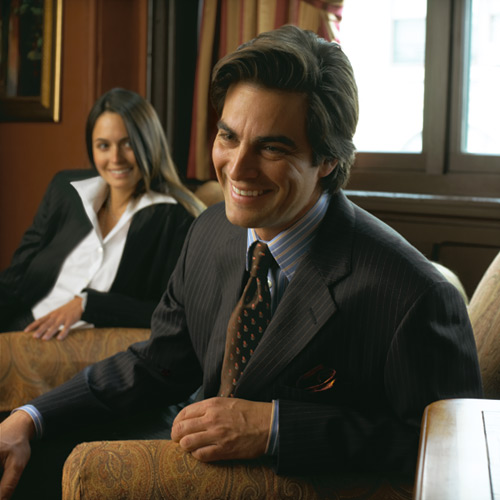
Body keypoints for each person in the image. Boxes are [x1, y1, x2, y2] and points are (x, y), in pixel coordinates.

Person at [0, 25, 482, 499]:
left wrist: (276, 426)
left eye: (273, 147)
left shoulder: (414, 295)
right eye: (228, 137)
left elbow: (453, 450)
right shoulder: (209, 231)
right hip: (182, 461)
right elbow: (157, 365)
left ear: (329, 160)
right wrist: (31, 417)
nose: (238, 167)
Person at [0, 88, 204, 340]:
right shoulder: (66, 191)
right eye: (103, 146)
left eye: (128, 144)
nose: (115, 158)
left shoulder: (175, 220)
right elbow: (17, 277)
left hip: (82, 351)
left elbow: (172, 312)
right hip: (21, 332)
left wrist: (87, 305)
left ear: (148, 144)